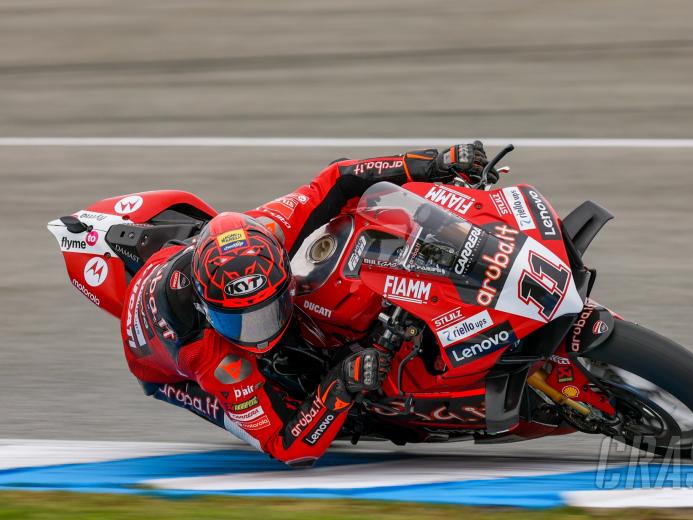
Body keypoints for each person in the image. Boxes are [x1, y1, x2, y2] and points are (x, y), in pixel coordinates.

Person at [122, 142, 492, 467]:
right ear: (207, 310)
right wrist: (339, 386)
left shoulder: (272, 230)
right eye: (243, 322)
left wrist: (435, 163)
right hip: (171, 375)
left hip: (180, 258)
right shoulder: (212, 359)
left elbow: (339, 177)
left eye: (270, 311)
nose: (262, 333)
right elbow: (287, 449)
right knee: (295, 402)